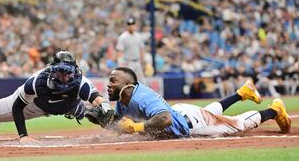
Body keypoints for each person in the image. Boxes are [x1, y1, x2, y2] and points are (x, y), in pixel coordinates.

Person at [0, 49, 110, 143]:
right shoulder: (37, 83)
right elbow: (18, 107)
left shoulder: (82, 82)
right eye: (60, 72)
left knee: (94, 112)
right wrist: (23, 136)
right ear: (53, 70)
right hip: (32, 106)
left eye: (68, 73)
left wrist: (108, 111)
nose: (64, 77)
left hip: (64, 105)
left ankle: (121, 128)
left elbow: (98, 100)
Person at [104, 67, 291, 138]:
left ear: (128, 84)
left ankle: (274, 110)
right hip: (183, 113)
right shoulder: (124, 99)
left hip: (190, 124)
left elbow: (165, 119)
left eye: (113, 81)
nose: (108, 85)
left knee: (237, 125)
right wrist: (100, 119)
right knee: (208, 113)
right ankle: (241, 93)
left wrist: (136, 128)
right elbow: (117, 125)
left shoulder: (142, 97)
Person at [116, 17, 146, 84]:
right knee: (129, 82)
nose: (131, 26)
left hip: (137, 62)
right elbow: (119, 51)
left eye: (132, 24)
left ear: (135, 25)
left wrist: (143, 61)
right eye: (129, 25)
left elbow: (141, 49)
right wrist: (120, 63)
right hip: (128, 63)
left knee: (142, 82)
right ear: (127, 26)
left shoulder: (138, 36)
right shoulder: (123, 37)